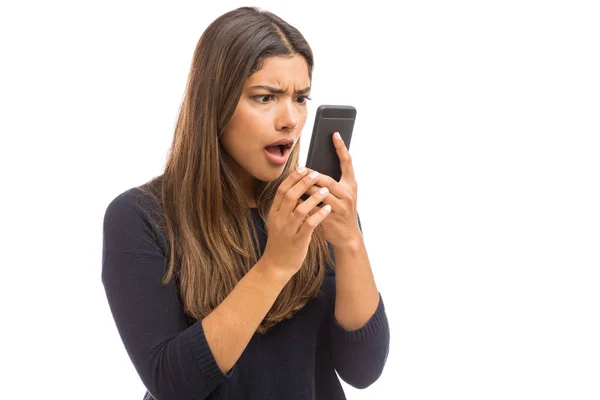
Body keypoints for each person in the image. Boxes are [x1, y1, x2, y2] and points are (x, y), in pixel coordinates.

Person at [101, 6, 389, 400]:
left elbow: (363, 370)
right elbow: (172, 384)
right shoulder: (140, 218)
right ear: (216, 103)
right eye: (265, 97)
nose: (290, 119)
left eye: (301, 97)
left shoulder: (316, 208)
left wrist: (349, 242)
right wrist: (276, 264)